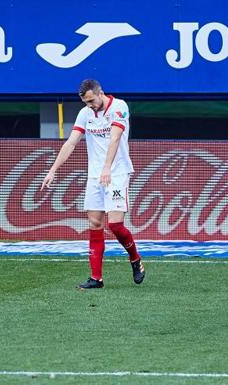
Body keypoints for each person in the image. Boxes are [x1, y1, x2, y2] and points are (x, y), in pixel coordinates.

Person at [40, 79, 145, 289]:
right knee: (95, 225)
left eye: (91, 101)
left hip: (116, 173)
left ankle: (135, 260)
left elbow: (115, 138)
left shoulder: (119, 107)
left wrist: (107, 167)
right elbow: (71, 142)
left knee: (115, 224)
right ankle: (96, 278)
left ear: (100, 93)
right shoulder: (85, 113)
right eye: (86, 102)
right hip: (95, 176)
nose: (89, 105)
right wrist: (53, 170)